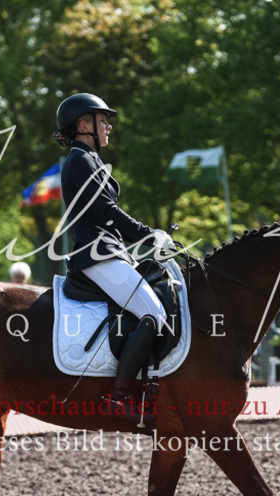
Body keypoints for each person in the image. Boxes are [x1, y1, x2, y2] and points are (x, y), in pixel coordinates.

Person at [52, 93, 174, 421]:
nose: (108, 127)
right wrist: (150, 235)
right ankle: (119, 397)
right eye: (102, 120)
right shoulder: (81, 160)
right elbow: (106, 212)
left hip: (108, 251)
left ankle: (150, 385)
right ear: (83, 125)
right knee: (153, 313)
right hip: (97, 255)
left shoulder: (87, 159)